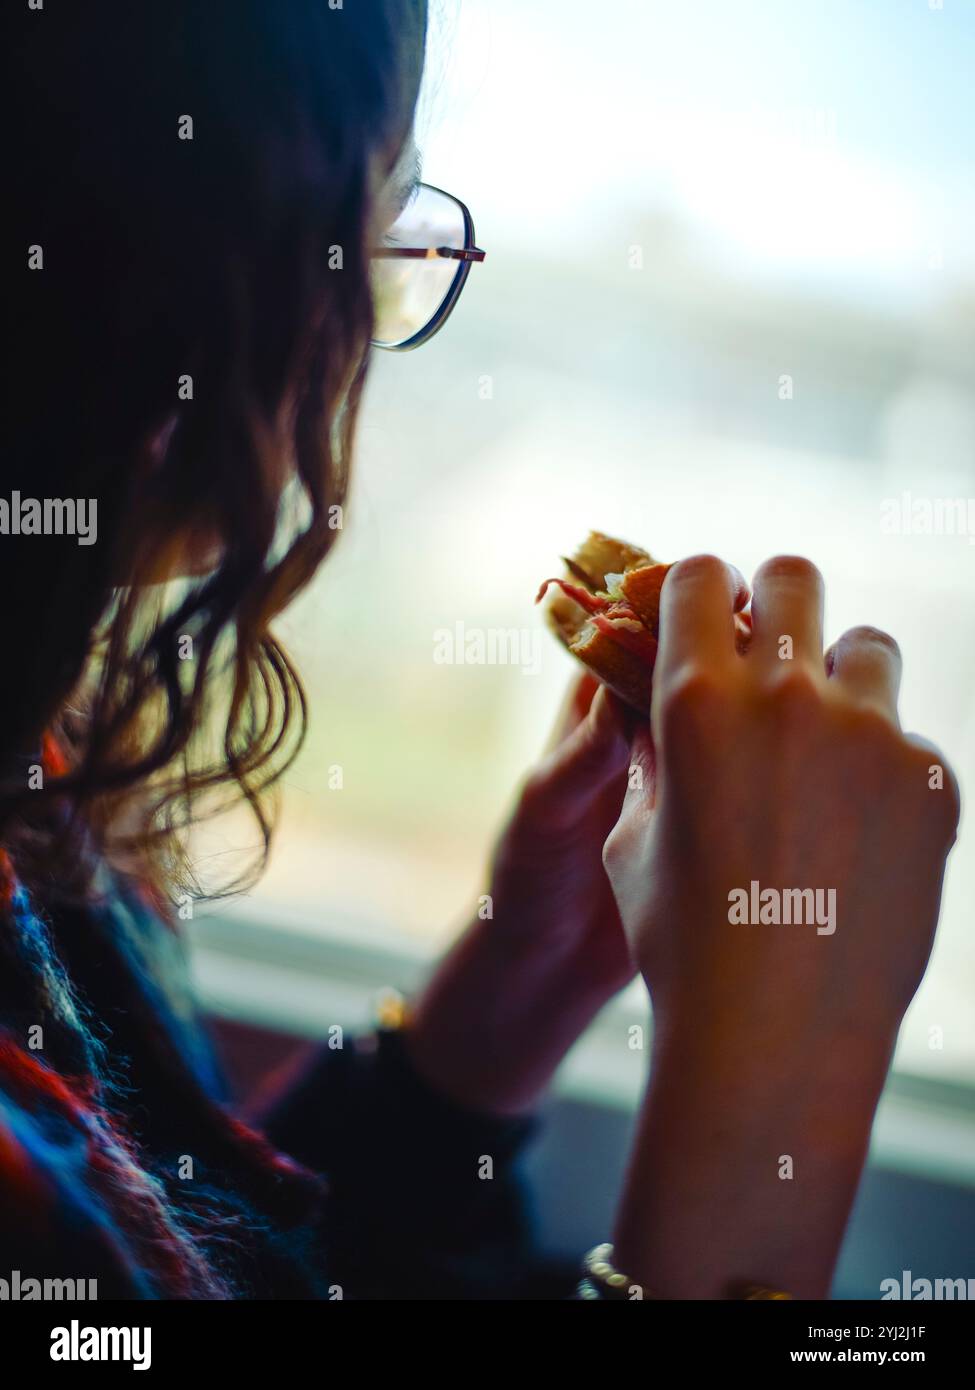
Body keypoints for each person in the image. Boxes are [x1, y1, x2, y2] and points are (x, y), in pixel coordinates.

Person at [3, 0, 958, 1299]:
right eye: (364, 241)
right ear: (163, 288)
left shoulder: (38, 782)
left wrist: (503, 1003)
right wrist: (779, 1091)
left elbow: (198, 1268)